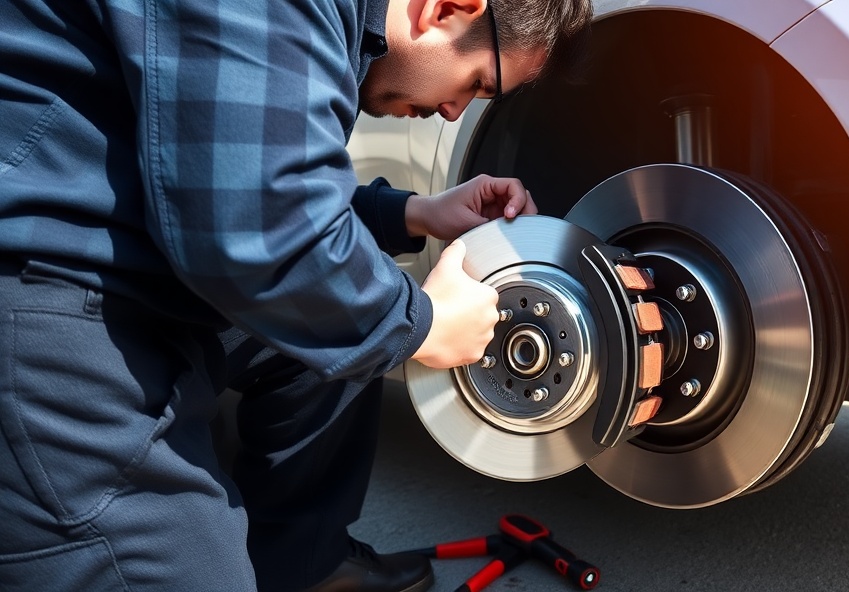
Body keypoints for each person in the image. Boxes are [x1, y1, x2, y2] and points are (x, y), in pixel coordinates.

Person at [0, 0, 592, 590]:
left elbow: (216, 173)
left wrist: (413, 214)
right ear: (445, 8)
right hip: (39, 299)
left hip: (118, 260)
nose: (451, 110)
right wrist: (424, 325)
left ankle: (306, 568)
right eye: (475, 85)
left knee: (334, 330)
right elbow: (257, 233)